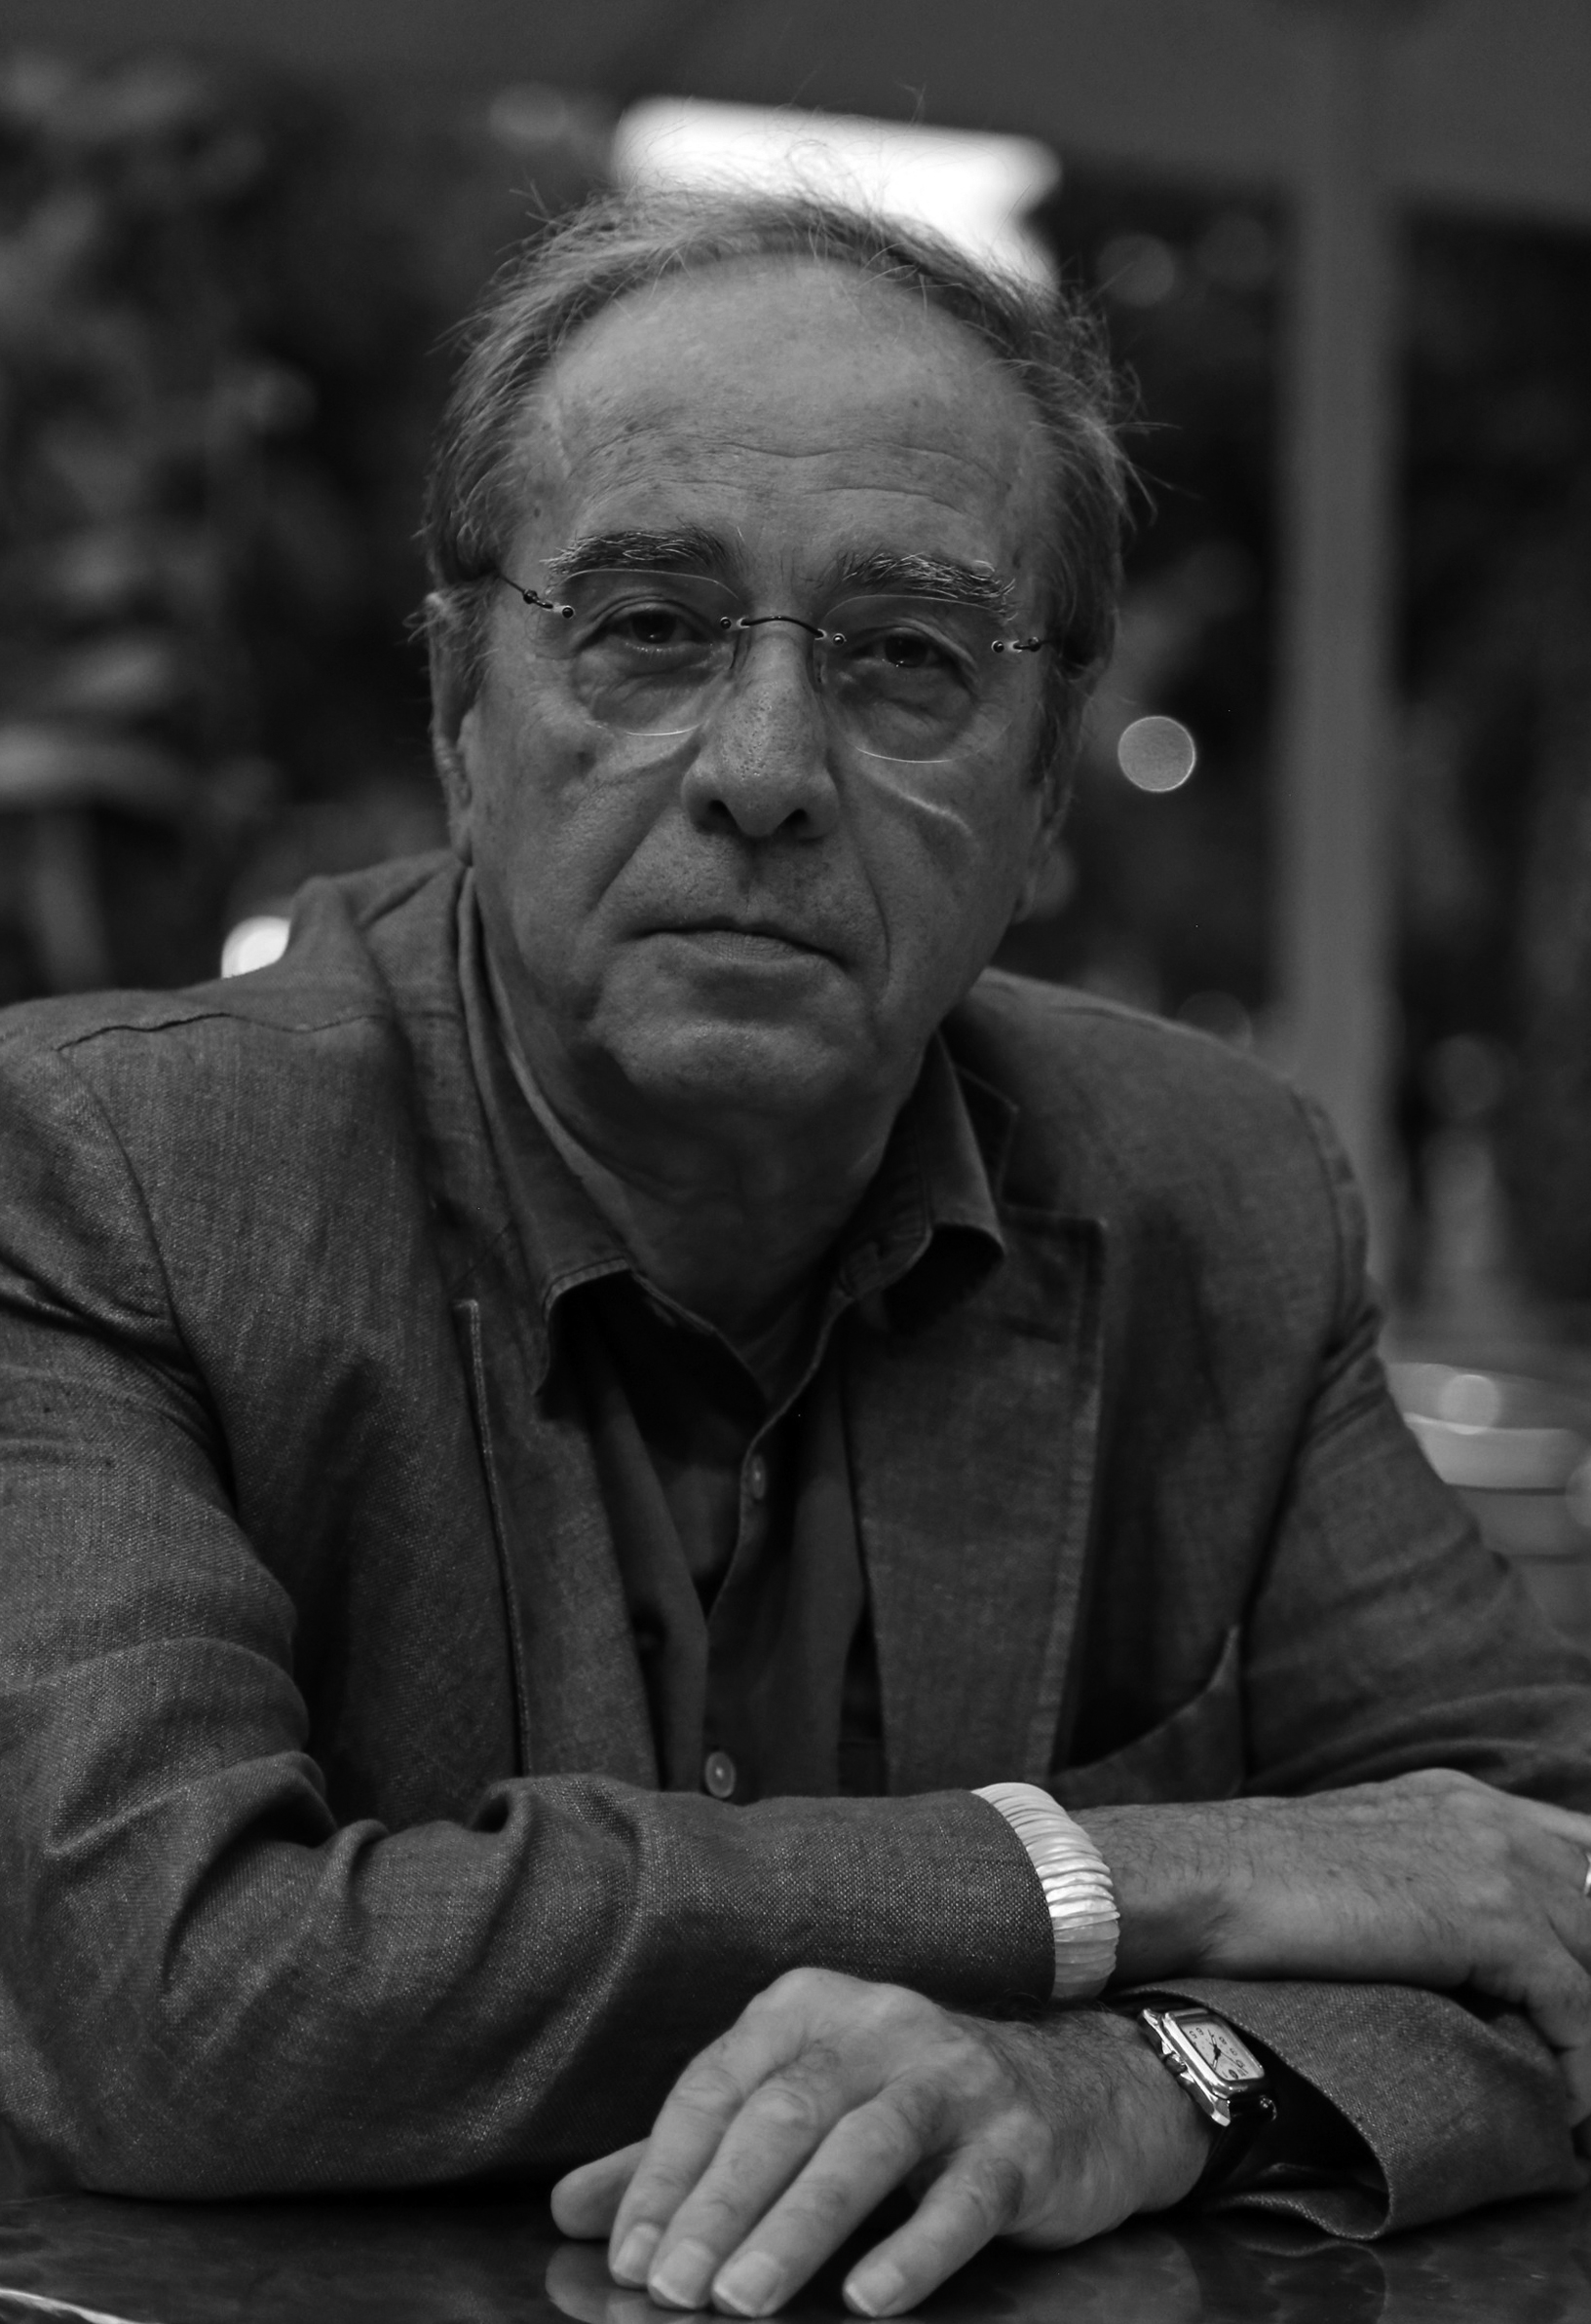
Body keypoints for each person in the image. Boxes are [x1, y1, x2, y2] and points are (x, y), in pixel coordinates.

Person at [0, 187, 1589, 2321]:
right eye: (648, 628)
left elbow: (1538, 1878)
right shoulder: (106, 1168)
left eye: (905, 658)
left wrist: (1139, 2078)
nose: (761, 772)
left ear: (1042, 799)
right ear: (464, 718)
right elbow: (177, 2002)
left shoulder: (1206, 1190)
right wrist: (1155, 1876)